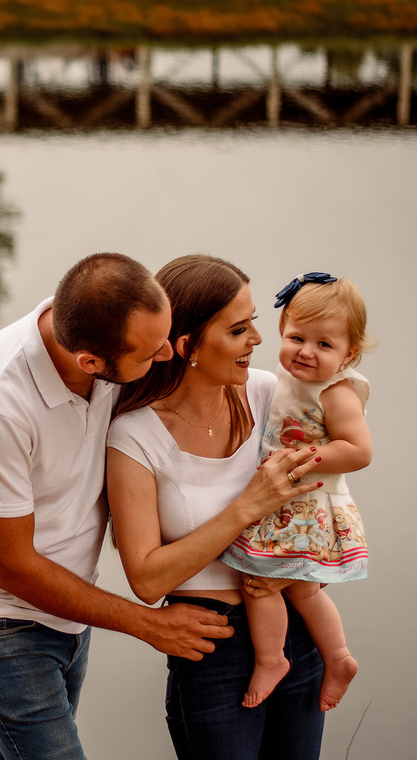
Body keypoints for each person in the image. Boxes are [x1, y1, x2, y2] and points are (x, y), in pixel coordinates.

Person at [0, 252, 292, 760]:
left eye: (168, 337)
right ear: (92, 363)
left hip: (73, 605)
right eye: (151, 355)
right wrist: (146, 623)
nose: (167, 355)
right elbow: (12, 567)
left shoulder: (109, 327)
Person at [107, 254, 326, 760]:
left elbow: (318, 491)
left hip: (294, 621)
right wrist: (247, 506)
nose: (257, 339)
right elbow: (146, 579)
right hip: (210, 645)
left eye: (253, 322)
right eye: (239, 329)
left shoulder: (266, 394)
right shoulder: (134, 436)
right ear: (188, 347)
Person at [220, 273, 372, 712]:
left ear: (349, 354)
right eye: (296, 337)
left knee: (259, 586)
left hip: (310, 510)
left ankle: (272, 660)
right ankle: (338, 656)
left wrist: (302, 459)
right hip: (286, 505)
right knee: (302, 590)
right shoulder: (278, 380)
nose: (306, 351)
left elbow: (359, 450)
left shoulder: (336, 391)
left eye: (324, 345)